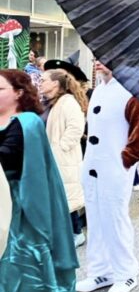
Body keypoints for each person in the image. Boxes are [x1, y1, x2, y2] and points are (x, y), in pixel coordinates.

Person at [0, 70, 77, 292]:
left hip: (22, 204)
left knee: (18, 266)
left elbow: (7, 155)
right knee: (3, 269)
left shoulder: (28, 122)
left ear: (18, 92)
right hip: (1, 201)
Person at [76, 62, 139, 292]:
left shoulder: (131, 90)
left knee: (115, 218)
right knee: (96, 218)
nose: (99, 61)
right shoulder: (99, 89)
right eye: (96, 57)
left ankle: (126, 273)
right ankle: (100, 271)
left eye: (104, 57)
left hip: (115, 165)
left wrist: (127, 158)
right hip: (93, 164)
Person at [40, 68, 87, 247]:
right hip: (51, 157)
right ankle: (63, 233)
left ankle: (76, 233)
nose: (40, 82)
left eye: (44, 79)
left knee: (67, 196)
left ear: (55, 83)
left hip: (63, 158)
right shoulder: (49, 101)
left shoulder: (68, 102)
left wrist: (61, 148)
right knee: (58, 196)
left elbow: (76, 127)